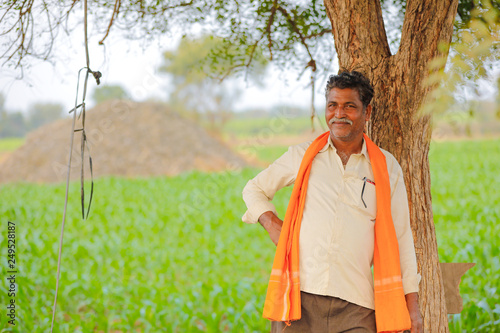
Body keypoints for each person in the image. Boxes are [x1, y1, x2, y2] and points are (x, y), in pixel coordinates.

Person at [241, 71, 423, 333]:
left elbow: (402, 239)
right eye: (332, 105)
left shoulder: (386, 167)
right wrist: (273, 224)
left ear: (367, 112)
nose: (339, 114)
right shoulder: (303, 156)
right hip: (298, 298)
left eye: (350, 106)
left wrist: (412, 307)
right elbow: (254, 189)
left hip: (357, 305)